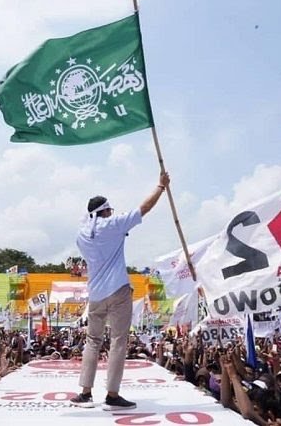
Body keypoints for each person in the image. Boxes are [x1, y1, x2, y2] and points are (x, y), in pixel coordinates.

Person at [70, 171, 171, 411]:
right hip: (117, 290)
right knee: (118, 341)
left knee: (92, 341)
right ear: (105, 211)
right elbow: (142, 209)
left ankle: (85, 392)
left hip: (94, 293)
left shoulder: (81, 234)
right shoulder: (113, 225)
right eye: (109, 210)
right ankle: (112, 395)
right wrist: (161, 186)